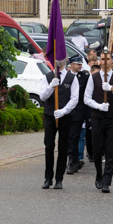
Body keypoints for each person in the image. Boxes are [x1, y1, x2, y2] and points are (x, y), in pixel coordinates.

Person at [83, 50, 113, 193]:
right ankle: (99, 175)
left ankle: (106, 180)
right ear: (99, 61)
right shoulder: (94, 77)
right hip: (98, 117)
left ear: (112, 61)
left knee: (111, 149)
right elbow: (86, 98)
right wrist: (98, 106)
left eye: (107, 59)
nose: (105, 61)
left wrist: (112, 89)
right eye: (102, 59)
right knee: (97, 149)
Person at [38, 58, 79, 189]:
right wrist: (51, 86)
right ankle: (48, 178)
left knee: (63, 147)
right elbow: (42, 97)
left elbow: (74, 98)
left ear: (65, 61)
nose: (59, 61)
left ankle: (59, 179)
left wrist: (63, 111)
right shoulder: (47, 77)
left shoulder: (72, 78)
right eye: (57, 59)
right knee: (49, 146)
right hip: (50, 115)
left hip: (65, 116)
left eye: (61, 59)